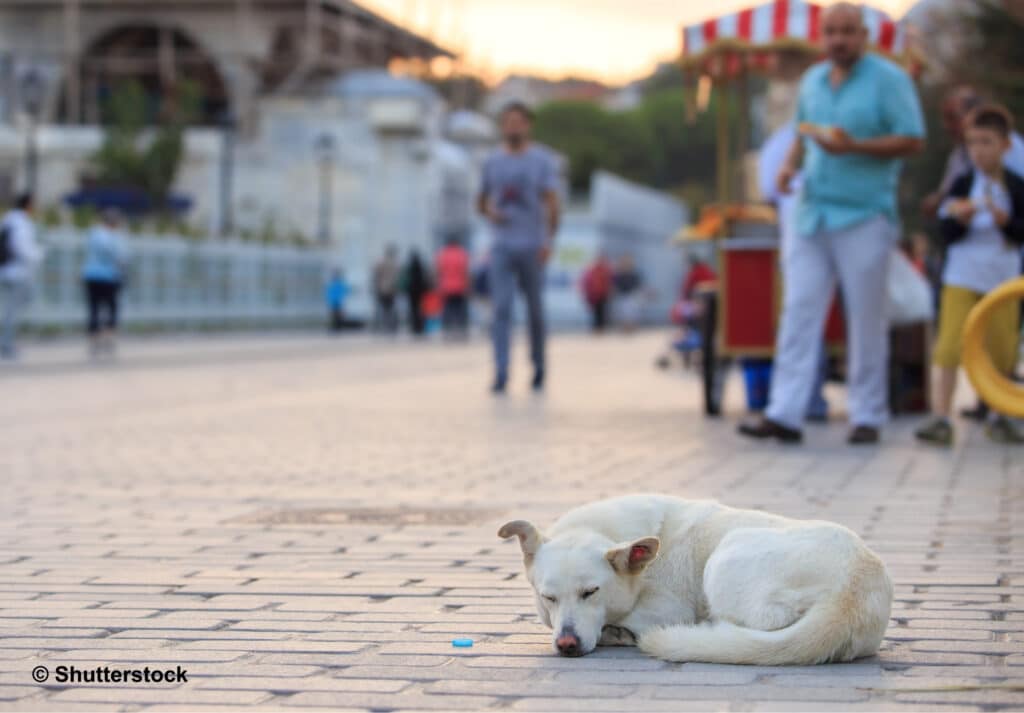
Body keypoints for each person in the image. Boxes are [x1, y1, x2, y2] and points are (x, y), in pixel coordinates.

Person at [738, 2, 925, 445]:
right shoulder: (814, 80)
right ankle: (785, 413)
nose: (839, 39)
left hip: (864, 213)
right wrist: (786, 167)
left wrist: (856, 147)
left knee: (865, 316)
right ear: (822, 37)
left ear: (863, 35)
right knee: (799, 310)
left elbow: (913, 139)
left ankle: (867, 415)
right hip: (811, 210)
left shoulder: (890, 80)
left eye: (848, 31)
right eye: (831, 32)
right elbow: (805, 133)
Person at [915, 105, 1024, 446]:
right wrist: (957, 220)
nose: (978, 150)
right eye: (973, 143)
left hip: (1002, 278)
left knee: (1002, 349)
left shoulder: (1017, 186)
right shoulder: (961, 183)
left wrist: (1007, 222)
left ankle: (999, 413)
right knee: (949, 345)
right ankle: (941, 417)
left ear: (1005, 145)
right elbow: (942, 229)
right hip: (962, 275)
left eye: (986, 142)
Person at [478, 101, 560, 394]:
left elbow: (552, 202)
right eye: (507, 122)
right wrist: (491, 213)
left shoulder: (542, 161)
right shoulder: (492, 162)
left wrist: (548, 241)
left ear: (528, 125)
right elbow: (482, 200)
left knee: (535, 311)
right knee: (501, 308)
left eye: (518, 121)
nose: (512, 127)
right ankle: (501, 371)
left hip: (532, 245)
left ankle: (538, 366)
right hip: (501, 244)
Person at [0, 193, 43, 360]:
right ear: (29, 204)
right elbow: (22, 247)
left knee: (13, 307)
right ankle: (7, 343)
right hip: (17, 271)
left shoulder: (9, 219)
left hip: (8, 269)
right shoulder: (20, 222)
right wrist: (39, 254)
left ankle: (7, 340)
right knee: (14, 308)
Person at [81, 209, 128, 357]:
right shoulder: (114, 237)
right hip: (109, 277)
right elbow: (120, 256)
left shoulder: (93, 234)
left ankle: (93, 341)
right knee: (111, 308)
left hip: (91, 275)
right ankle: (108, 338)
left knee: (93, 308)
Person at [436, 237, 471, 339]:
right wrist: (468, 285)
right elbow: (465, 271)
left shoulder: (442, 254)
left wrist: (438, 285)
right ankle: (460, 329)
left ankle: (447, 329)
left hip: (446, 286)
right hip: (460, 286)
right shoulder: (462, 253)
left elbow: (438, 271)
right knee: (460, 309)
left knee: (448, 309)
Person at [581, 253, 613, 333]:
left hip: (603, 294)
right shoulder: (592, 271)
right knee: (596, 312)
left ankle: (601, 328)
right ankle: (596, 328)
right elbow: (586, 283)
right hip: (594, 295)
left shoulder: (605, 270)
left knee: (602, 312)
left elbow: (609, 282)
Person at [372, 245, 400, 333]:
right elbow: (397, 278)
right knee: (391, 308)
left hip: (382, 289)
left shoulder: (381, 263)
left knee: (383, 308)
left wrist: (376, 286)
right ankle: (391, 325)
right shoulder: (395, 264)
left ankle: (384, 325)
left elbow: (376, 276)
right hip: (392, 289)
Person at [612, 254, 644, 333]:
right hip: (622, 295)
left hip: (631, 295)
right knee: (623, 314)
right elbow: (615, 285)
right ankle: (624, 328)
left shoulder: (634, 274)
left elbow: (638, 285)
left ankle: (631, 328)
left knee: (632, 313)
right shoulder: (618, 274)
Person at [402, 250, 430, 336]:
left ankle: (414, 326)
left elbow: (406, 280)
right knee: (421, 309)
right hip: (420, 291)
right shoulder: (421, 266)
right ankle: (420, 327)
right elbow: (425, 279)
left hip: (412, 291)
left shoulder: (409, 267)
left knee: (413, 310)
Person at [324, 269, 350, 333]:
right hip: (336, 302)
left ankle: (335, 327)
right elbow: (345, 290)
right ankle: (336, 327)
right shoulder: (337, 284)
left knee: (335, 316)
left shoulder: (333, 284)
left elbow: (328, 293)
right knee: (337, 316)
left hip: (334, 302)